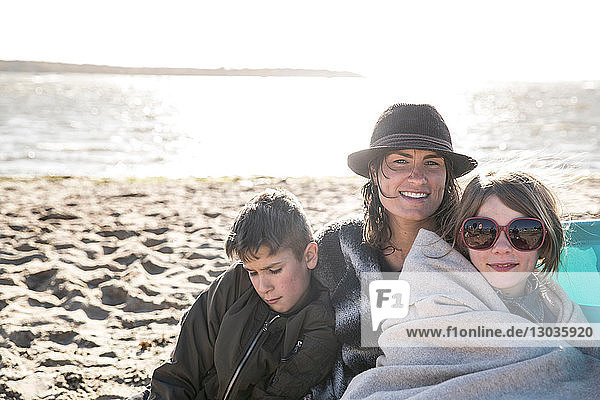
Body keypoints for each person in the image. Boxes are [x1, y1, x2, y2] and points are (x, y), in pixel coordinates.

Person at [341, 171, 600, 399]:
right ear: (463, 241)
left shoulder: (557, 307)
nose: (501, 248)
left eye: (523, 232)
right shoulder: (433, 298)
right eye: (481, 231)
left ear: (544, 241)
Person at [311, 103, 478, 398]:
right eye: (400, 162)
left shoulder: (469, 249)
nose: (417, 178)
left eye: (432, 163)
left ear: (447, 175)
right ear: (374, 172)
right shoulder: (339, 245)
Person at [129, 188, 337, 400]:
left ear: (310, 256)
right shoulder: (235, 284)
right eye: (253, 272)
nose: (263, 286)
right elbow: (182, 368)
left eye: (274, 270)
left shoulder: (320, 327)